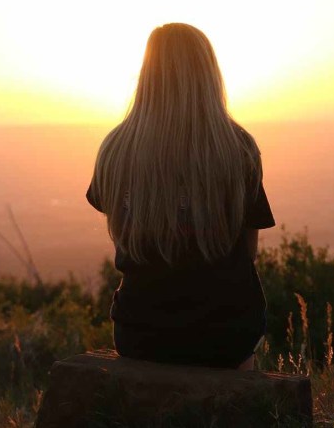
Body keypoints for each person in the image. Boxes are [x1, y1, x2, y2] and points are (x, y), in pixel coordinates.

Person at [85, 22, 275, 371]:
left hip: (140, 333)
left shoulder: (115, 149)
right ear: (209, 76)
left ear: (147, 75)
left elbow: (122, 233)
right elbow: (249, 253)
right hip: (225, 335)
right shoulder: (239, 149)